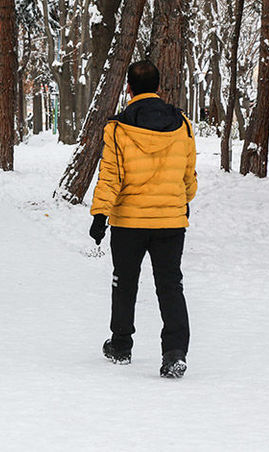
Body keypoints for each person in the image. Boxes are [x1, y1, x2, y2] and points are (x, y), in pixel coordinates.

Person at [88, 60, 197, 379]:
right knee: (170, 284)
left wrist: (100, 214)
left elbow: (110, 175)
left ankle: (121, 344)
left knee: (124, 281)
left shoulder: (118, 127)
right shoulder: (183, 124)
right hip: (171, 221)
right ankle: (175, 351)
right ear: (159, 87)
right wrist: (183, 199)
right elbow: (188, 174)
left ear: (129, 89)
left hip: (129, 222)